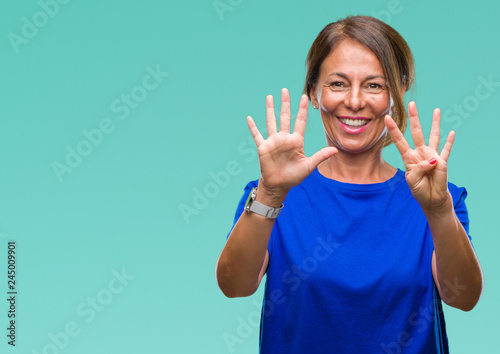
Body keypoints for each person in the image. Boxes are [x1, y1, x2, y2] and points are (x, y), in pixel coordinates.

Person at [215, 15, 483, 353]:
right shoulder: (272, 194)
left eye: (374, 85)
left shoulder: (438, 198)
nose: (354, 101)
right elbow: (235, 286)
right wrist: (270, 193)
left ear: (396, 94)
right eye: (338, 84)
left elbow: (463, 298)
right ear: (313, 93)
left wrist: (440, 212)